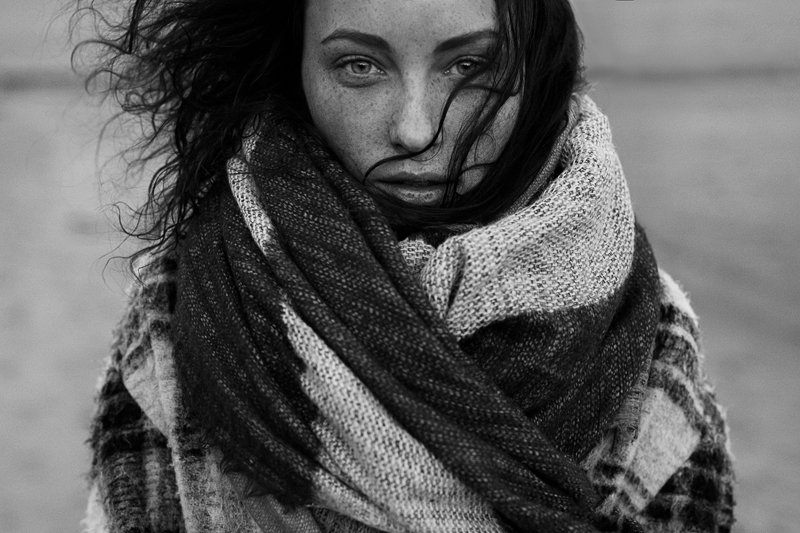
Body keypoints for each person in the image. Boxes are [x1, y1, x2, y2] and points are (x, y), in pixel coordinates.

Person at [79, 0, 735, 531]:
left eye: (469, 65)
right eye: (360, 65)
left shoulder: (645, 334)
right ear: (296, 70)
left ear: (534, 68)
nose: (415, 130)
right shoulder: (184, 310)